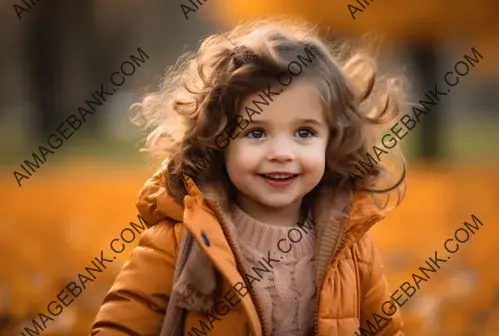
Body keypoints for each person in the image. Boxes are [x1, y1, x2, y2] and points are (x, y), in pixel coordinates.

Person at [91, 17, 407, 336]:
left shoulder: (350, 246)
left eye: (304, 132)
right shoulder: (179, 238)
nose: (281, 153)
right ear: (219, 140)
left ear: (332, 142)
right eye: (256, 132)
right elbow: (121, 324)